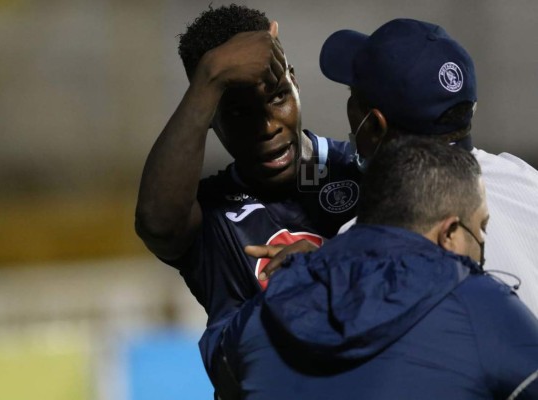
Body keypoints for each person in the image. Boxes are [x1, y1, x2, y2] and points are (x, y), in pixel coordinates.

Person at [134, 4, 359, 388]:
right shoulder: (213, 212)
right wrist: (209, 78)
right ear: (210, 120)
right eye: (239, 113)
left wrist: (332, 267)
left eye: (277, 97)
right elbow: (157, 224)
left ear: (295, 82)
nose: (268, 126)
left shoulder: (362, 172)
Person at [253, 18, 538, 317]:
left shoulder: (364, 241)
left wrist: (326, 273)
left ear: (375, 125)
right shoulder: (526, 181)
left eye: (353, 95)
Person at [219, 136, 538, 400]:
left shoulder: (264, 311)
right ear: (450, 233)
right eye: (481, 229)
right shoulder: (483, 307)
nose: (482, 243)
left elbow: (225, 377)